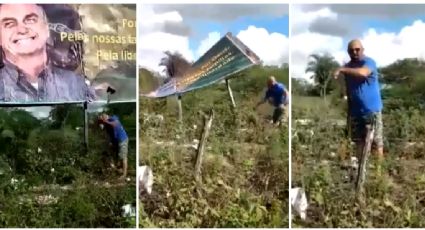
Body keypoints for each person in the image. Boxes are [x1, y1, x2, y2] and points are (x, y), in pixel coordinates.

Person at [0, 4, 105, 102]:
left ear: (46, 29)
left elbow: (103, 117)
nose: (22, 30)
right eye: (9, 24)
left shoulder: (76, 83)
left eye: (30, 20)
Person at [333, 39, 384, 170]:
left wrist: (342, 69)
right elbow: (350, 91)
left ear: (363, 49)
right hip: (356, 112)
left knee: (376, 143)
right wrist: (349, 115)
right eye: (351, 50)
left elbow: (363, 73)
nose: (354, 52)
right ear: (348, 52)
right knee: (359, 143)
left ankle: (379, 174)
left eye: (357, 49)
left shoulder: (368, 62)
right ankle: (363, 171)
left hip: (371, 110)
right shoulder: (348, 67)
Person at [100, 113, 129, 180]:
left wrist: (105, 121)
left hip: (122, 139)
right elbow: (109, 134)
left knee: (123, 157)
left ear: (106, 117)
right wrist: (110, 142)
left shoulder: (113, 118)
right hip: (116, 141)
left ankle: (124, 175)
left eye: (103, 120)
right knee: (115, 155)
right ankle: (119, 169)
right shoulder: (106, 126)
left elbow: (115, 124)